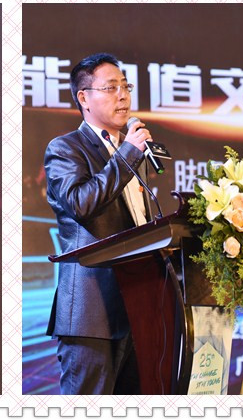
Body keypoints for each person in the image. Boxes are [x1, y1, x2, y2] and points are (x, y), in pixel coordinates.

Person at [43, 53, 152, 395]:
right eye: (111, 88)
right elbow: (81, 203)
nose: (123, 95)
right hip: (91, 314)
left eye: (126, 87)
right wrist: (128, 154)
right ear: (84, 98)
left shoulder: (130, 151)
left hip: (137, 308)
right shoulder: (65, 148)